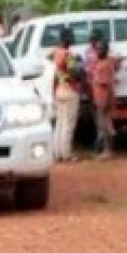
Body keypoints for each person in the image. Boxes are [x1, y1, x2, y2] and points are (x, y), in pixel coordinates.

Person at [50, 28, 83, 163]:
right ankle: (67, 154)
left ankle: (57, 153)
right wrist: (79, 66)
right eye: (71, 37)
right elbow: (74, 72)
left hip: (59, 90)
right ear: (67, 39)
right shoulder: (68, 55)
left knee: (59, 123)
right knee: (69, 124)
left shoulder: (56, 52)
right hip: (70, 90)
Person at [87, 32, 117, 158]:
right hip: (103, 99)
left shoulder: (104, 65)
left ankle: (107, 150)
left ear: (104, 51)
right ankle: (108, 149)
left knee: (104, 125)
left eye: (99, 49)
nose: (97, 51)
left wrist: (102, 103)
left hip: (103, 100)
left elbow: (104, 85)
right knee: (106, 124)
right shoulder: (106, 62)